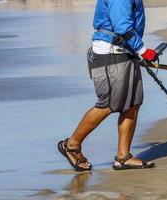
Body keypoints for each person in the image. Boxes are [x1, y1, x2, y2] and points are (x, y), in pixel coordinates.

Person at [57, 0, 157, 171]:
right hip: (110, 53)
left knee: (132, 104)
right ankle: (72, 145)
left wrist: (136, 50)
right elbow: (122, 27)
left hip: (125, 51)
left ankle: (123, 157)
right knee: (109, 104)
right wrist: (143, 50)